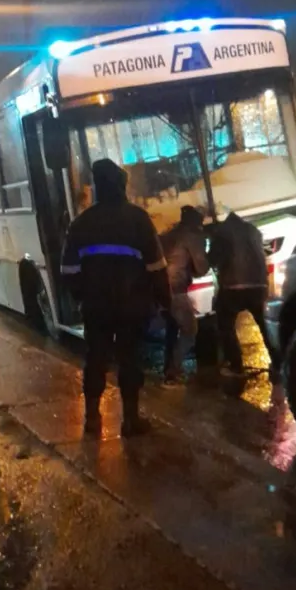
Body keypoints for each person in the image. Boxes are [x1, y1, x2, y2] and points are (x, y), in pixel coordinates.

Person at [61, 159, 171, 437]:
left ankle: (92, 419)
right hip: (131, 307)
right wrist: (164, 302)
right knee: (129, 360)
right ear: (122, 185)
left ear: (97, 187)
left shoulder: (81, 224)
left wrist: (82, 297)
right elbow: (157, 268)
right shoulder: (138, 219)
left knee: (96, 359)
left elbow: (68, 271)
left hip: (96, 308)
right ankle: (131, 420)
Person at [207, 210, 280, 380]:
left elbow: (214, 259)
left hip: (234, 286)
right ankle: (278, 362)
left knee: (225, 324)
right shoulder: (253, 230)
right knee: (263, 325)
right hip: (260, 285)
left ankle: (236, 365)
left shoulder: (222, 233)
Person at [161, 206, 209, 385]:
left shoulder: (170, 234)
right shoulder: (192, 237)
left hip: (161, 288)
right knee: (190, 330)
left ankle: (168, 368)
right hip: (176, 290)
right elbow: (202, 268)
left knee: (172, 329)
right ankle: (173, 372)